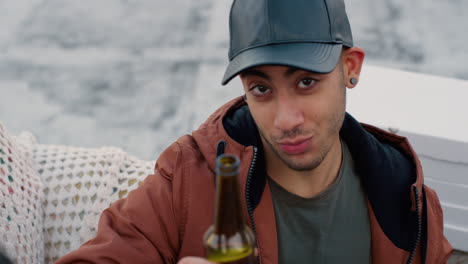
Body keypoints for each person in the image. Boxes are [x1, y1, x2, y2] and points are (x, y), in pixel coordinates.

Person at [57, 0, 453, 263]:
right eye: (261, 89)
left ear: (350, 68)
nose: (285, 120)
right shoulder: (191, 174)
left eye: (306, 82)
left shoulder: (406, 194)